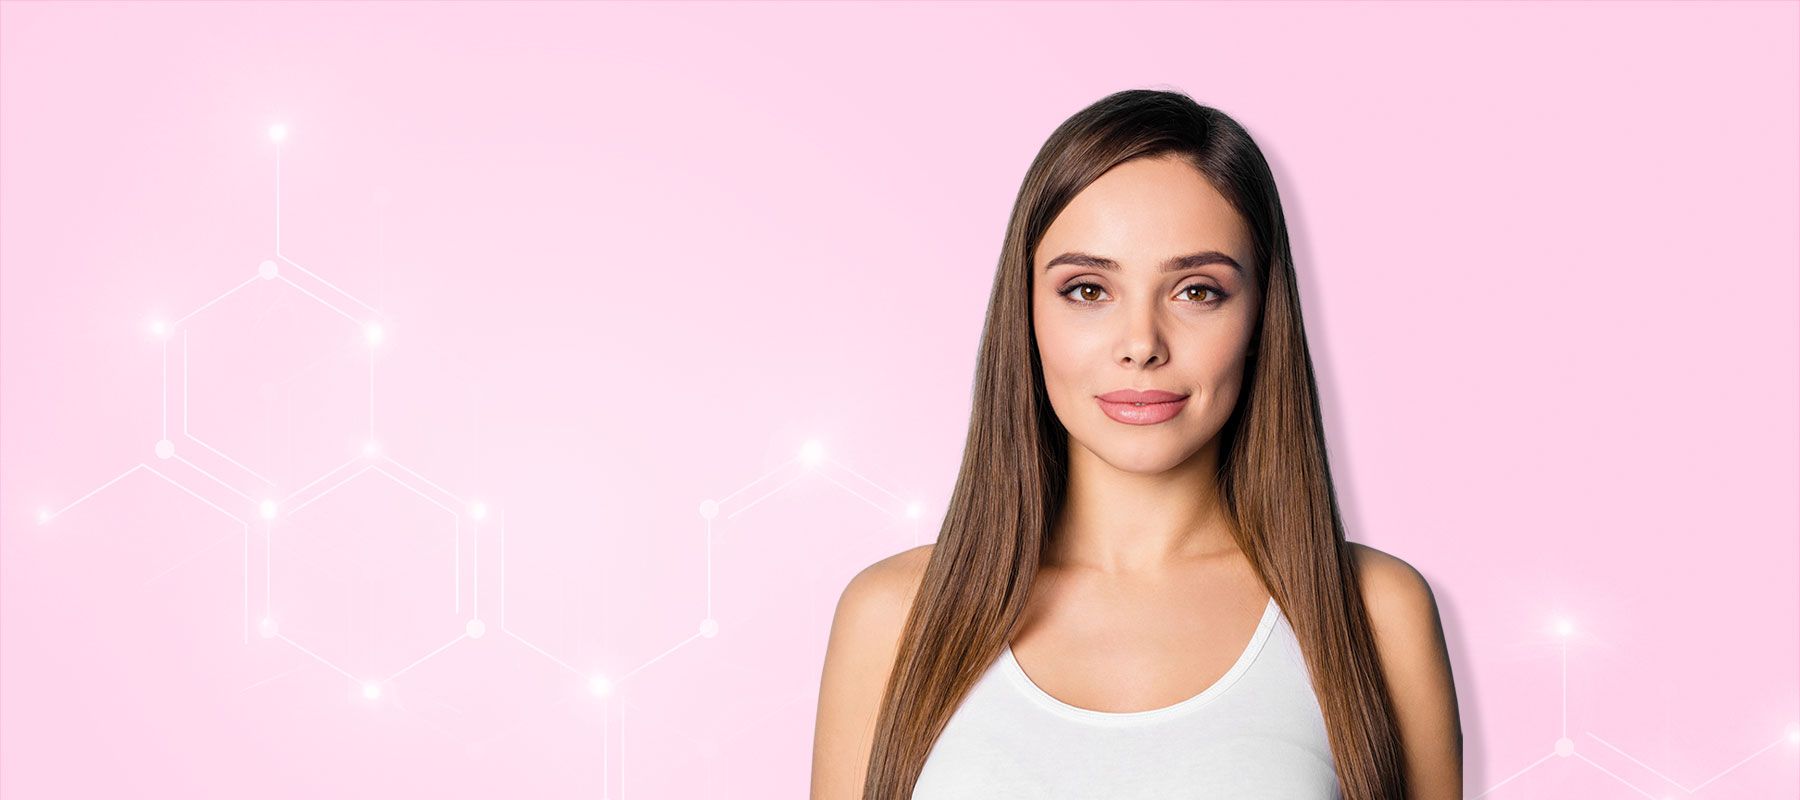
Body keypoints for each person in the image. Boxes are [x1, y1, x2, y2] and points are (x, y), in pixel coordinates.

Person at [809, 88, 1462, 800]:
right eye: (1088, 290)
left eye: (1197, 291)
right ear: (1024, 312)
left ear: (1261, 316)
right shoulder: (893, 619)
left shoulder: (1373, 614)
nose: (1142, 345)